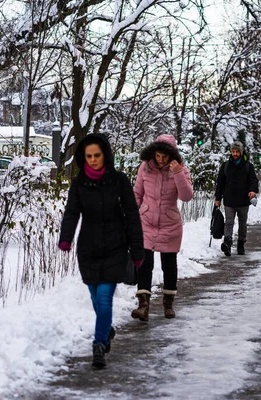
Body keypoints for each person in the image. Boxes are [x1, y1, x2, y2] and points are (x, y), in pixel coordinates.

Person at [58, 134, 144, 369]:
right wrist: (66, 238)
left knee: (105, 298)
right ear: (82, 158)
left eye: (97, 155)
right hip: (88, 248)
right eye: (89, 156)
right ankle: (106, 328)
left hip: (115, 247)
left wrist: (137, 250)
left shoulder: (119, 180)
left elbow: (132, 215)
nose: (93, 160)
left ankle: (99, 344)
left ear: (105, 154)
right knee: (97, 299)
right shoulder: (79, 183)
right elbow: (72, 212)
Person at [132, 134, 193, 321]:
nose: (160, 160)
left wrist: (178, 174)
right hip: (146, 221)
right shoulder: (145, 167)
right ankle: (143, 306)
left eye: (164, 157)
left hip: (169, 223)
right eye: (158, 156)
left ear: (171, 155)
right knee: (144, 263)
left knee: (169, 264)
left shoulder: (180, 170)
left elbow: (186, 196)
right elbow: (137, 192)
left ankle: (168, 304)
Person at [214, 141, 259, 256]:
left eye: (237, 151)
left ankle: (241, 244)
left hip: (243, 201)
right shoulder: (226, 166)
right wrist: (218, 198)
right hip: (229, 200)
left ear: (241, 152)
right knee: (229, 222)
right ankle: (227, 244)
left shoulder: (248, 166)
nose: (235, 154)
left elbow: (253, 180)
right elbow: (220, 183)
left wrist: (253, 191)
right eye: (233, 151)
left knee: (242, 224)